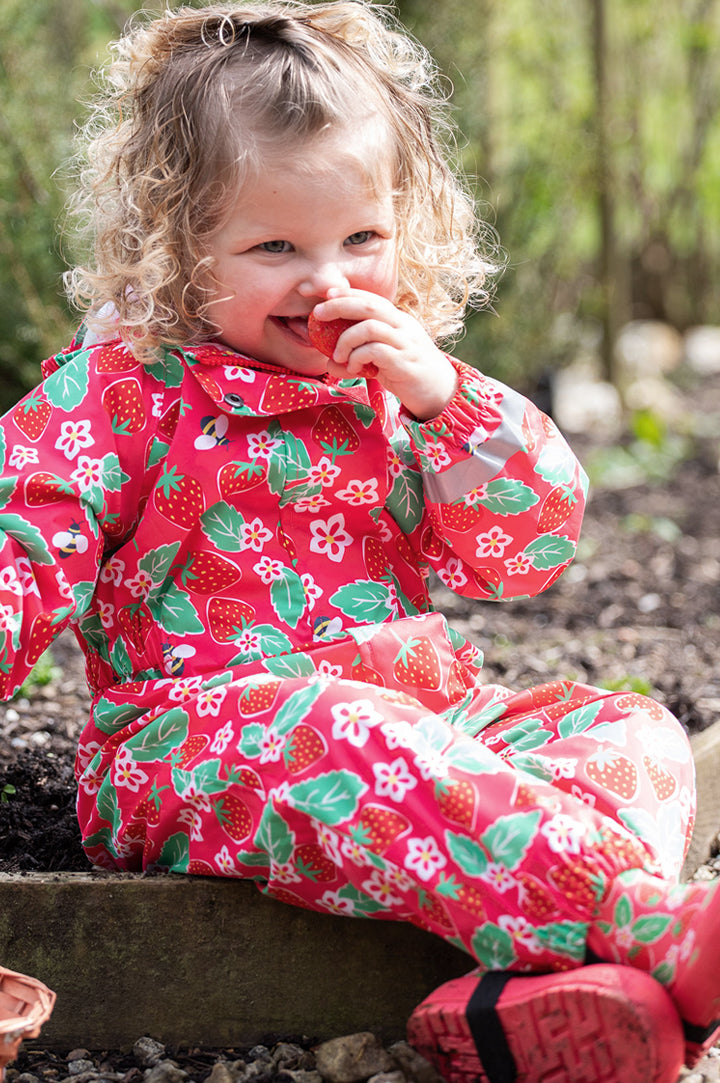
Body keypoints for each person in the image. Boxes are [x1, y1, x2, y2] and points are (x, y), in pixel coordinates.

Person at [0, 2, 717, 1080]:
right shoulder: (119, 390)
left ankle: (544, 1001)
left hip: (429, 716)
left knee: (632, 731)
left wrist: (447, 403)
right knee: (339, 729)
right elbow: (23, 536)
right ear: (175, 243)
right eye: (275, 245)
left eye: (363, 240)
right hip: (207, 736)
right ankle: (655, 928)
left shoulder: (392, 386)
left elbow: (526, 553)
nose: (328, 280)